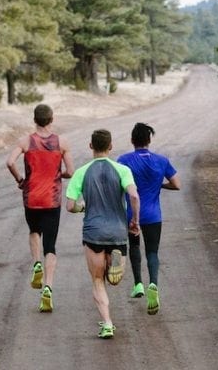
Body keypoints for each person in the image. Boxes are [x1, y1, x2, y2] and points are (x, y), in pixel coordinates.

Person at [65, 129, 140, 339]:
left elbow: (70, 206)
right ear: (111, 146)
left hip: (93, 232)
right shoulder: (122, 170)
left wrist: (82, 207)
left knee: (98, 280)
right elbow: (134, 196)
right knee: (114, 279)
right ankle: (114, 262)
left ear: (91, 146)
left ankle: (107, 323)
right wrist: (135, 221)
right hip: (117, 230)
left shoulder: (81, 172)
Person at [6, 103, 74, 313]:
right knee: (50, 245)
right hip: (52, 199)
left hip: (32, 197)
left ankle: (36, 263)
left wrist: (20, 179)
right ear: (51, 119)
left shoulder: (26, 141)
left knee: (34, 231)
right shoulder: (61, 142)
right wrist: (59, 175)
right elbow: (71, 171)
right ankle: (48, 286)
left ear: (34, 120)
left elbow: (10, 162)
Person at [117, 122, 180, 315]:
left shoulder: (124, 160)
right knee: (152, 252)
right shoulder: (161, 160)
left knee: (134, 246)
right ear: (149, 140)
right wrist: (160, 185)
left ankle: (138, 284)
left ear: (132, 140)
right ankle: (153, 284)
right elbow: (176, 184)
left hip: (131, 214)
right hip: (153, 215)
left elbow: (118, 184)